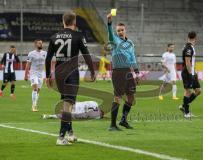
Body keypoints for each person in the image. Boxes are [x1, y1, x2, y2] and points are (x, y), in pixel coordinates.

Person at [45, 11, 95, 145]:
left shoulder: (54, 37)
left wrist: (47, 75)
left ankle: (70, 133)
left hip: (59, 74)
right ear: (74, 22)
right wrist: (92, 71)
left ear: (63, 21)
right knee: (68, 105)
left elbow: (48, 58)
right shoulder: (78, 36)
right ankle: (60, 138)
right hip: (71, 73)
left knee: (68, 103)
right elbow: (86, 55)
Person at [107, 13, 139, 131]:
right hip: (118, 72)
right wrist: (109, 23)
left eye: (122, 30)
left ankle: (123, 120)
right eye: (118, 30)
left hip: (128, 72)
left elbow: (132, 58)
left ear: (125, 30)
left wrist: (136, 72)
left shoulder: (130, 43)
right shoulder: (114, 40)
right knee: (117, 97)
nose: (120, 32)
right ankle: (112, 125)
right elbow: (110, 34)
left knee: (131, 98)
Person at [179, 31, 201, 118]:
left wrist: (194, 72)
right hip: (187, 72)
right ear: (195, 38)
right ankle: (186, 113)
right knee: (188, 91)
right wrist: (191, 74)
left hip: (191, 71)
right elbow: (188, 63)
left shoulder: (191, 47)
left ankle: (184, 106)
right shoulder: (188, 48)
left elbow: (191, 62)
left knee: (198, 91)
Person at [24, 40, 46, 112]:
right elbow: (28, 65)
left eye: (41, 43)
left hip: (41, 74)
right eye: (39, 43)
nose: (41, 44)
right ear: (36, 44)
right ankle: (34, 106)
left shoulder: (45, 53)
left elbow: (47, 63)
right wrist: (26, 75)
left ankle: (35, 104)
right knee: (35, 89)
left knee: (38, 91)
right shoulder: (31, 53)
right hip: (33, 73)